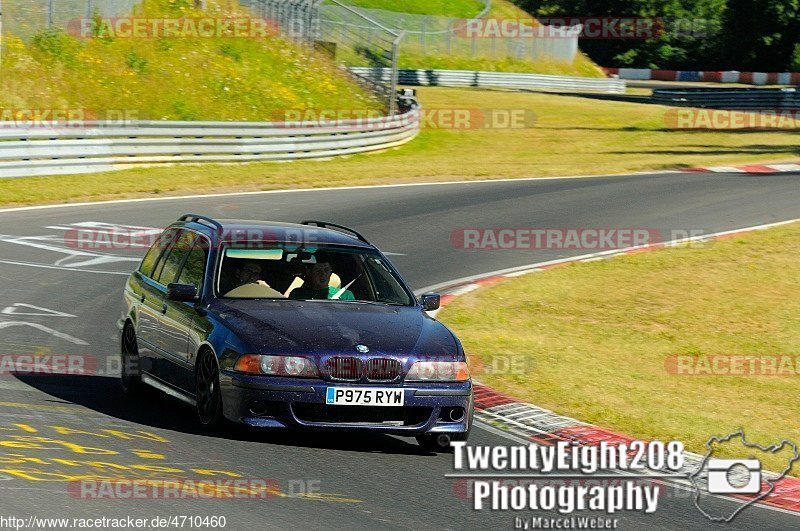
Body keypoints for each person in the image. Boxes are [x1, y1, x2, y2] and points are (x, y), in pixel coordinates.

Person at [289, 253, 355, 301]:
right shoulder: (298, 294)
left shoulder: (345, 295)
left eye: (327, 270)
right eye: (318, 271)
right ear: (309, 272)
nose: (323, 274)